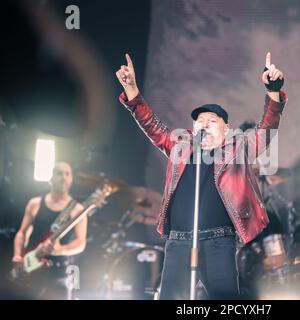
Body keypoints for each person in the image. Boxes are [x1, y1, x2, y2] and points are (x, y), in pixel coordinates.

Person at [116, 52, 287, 299]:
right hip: (178, 240)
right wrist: (132, 89)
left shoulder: (236, 147)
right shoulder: (180, 144)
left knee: (224, 299)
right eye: (199, 120)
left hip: (219, 241)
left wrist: (273, 91)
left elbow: (267, 130)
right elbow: (151, 125)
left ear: (226, 128)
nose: (204, 123)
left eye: (212, 120)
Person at [11, 162, 87, 299]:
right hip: (31, 267)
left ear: (71, 179)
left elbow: (81, 243)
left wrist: (60, 250)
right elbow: (22, 232)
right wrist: (17, 255)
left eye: (67, 174)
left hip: (59, 274)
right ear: (51, 177)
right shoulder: (34, 203)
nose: (63, 177)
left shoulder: (78, 210)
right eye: (59, 173)